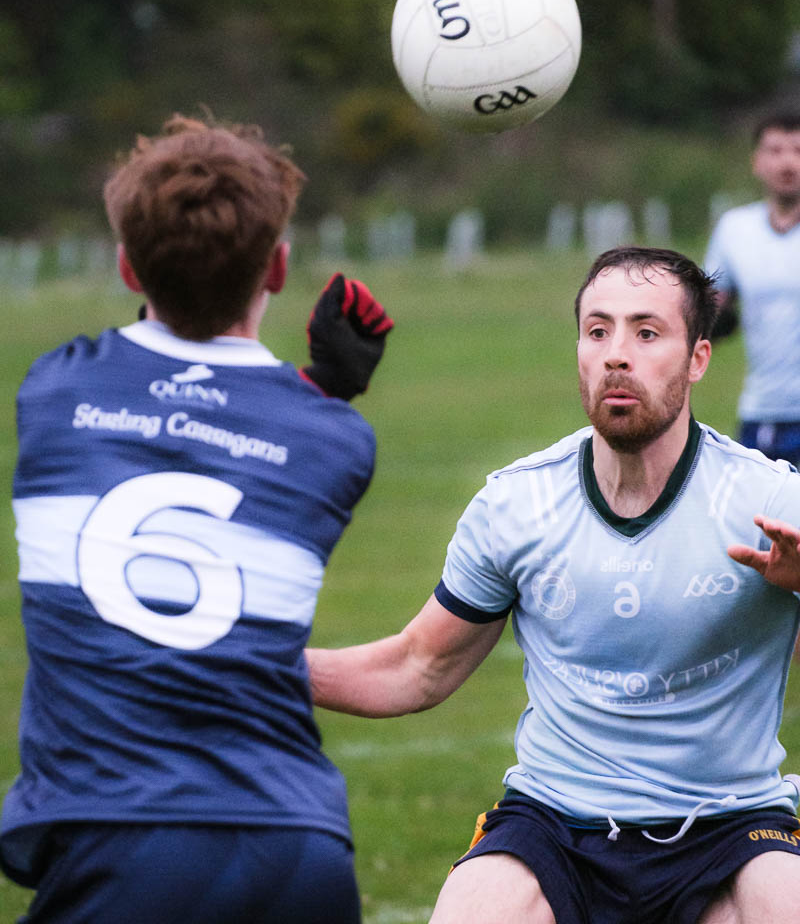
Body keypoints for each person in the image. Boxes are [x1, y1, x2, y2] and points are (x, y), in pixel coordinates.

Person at [307, 245, 800, 924]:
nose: (616, 355)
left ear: (698, 359)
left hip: (730, 824)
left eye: (646, 332)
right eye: (598, 331)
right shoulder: (516, 506)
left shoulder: (769, 499)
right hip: (556, 826)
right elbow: (418, 666)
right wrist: (259, 666)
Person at [0, 113, 394, 924]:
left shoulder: (50, 393)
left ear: (124, 264)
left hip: (114, 838)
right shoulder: (334, 439)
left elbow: (156, 421)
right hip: (296, 845)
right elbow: (257, 446)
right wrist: (321, 389)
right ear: (278, 268)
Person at [704, 111, 800, 467]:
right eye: (775, 150)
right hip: (762, 411)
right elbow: (707, 312)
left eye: (797, 150)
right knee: (760, 522)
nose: (788, 161)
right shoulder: (734, 230)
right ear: (757, 162)